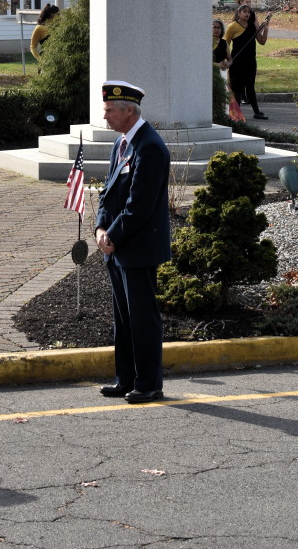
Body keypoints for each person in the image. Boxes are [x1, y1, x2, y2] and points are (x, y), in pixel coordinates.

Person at [95, 81, 171, 404]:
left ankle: (149, 383)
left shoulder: (150, 146)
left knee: (142, 319)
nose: (105, 115)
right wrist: (100, 228)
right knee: (123, 319)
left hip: (137, 248)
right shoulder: (121, 144)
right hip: (117, 247)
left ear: (129, 111)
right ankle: (125, 378)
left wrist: (112, 235)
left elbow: (139, 206)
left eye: (110, 110)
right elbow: (107, 193)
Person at [224, 5, 272, 120]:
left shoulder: (252, 26)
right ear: (239, 13)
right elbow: (226, 43)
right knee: (236, 88)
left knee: (250, 87)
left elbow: (262, 41)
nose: (247, 14)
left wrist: (266, 28)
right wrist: (228, 58)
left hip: (250, 61)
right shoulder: (233, 26)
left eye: (248, 12)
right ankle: (236, 114)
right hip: (237, 62)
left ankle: (257, 112)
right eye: (244, 12)